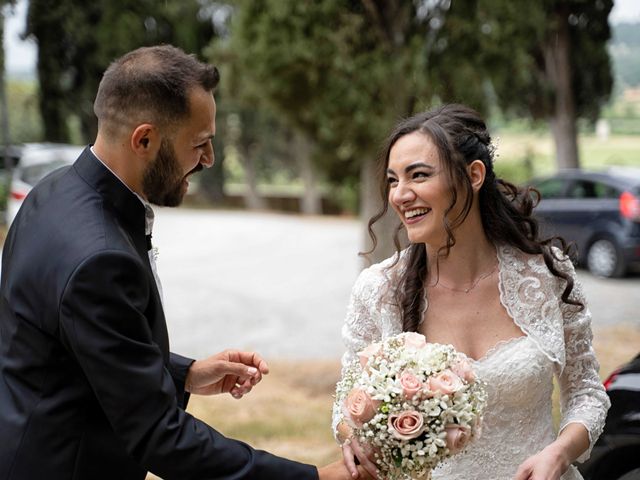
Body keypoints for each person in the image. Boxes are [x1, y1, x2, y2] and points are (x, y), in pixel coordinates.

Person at [0, 45, 363, 480]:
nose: (208, 160)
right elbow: (158, 434)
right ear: (145, 139)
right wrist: (314, 478)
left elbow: (69, 344)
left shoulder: (54, 190)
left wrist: (183, 373)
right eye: (201, 143)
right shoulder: (99, 258)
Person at [332, 104, 610, 480]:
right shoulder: (379, 290)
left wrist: (560, 453)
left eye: (418, 175)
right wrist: (355, 440)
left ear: (474, 175)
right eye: (393, 180)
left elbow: (586, 393)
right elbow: (345, 410)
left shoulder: (546, 275)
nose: (400, 195)